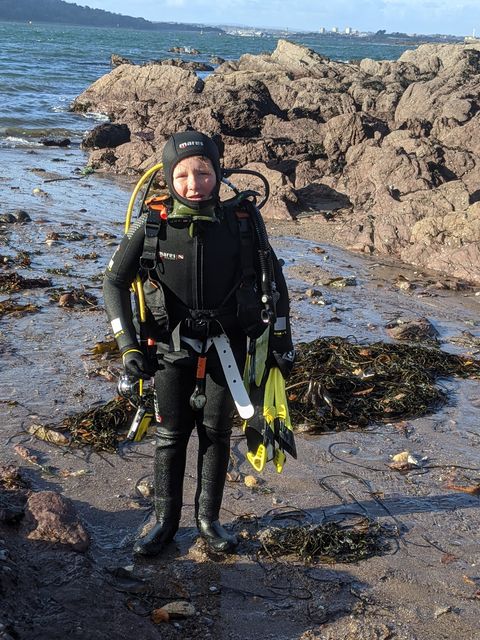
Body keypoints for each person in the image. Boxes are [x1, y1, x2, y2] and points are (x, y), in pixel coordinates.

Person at [103, 130, 294, 557]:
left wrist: (282, 340)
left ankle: (209, 522)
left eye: (203, 172)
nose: (194, 184)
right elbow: (113, 281)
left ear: (218, 171)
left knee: (216, 434)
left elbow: (275, 283)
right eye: (183, 174)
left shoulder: (243, 222)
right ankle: (164, 524)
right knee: (170, 436)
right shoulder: (153, 225)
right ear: (169, 177)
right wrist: (129, 347)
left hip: (229, 348)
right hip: (169, 351)